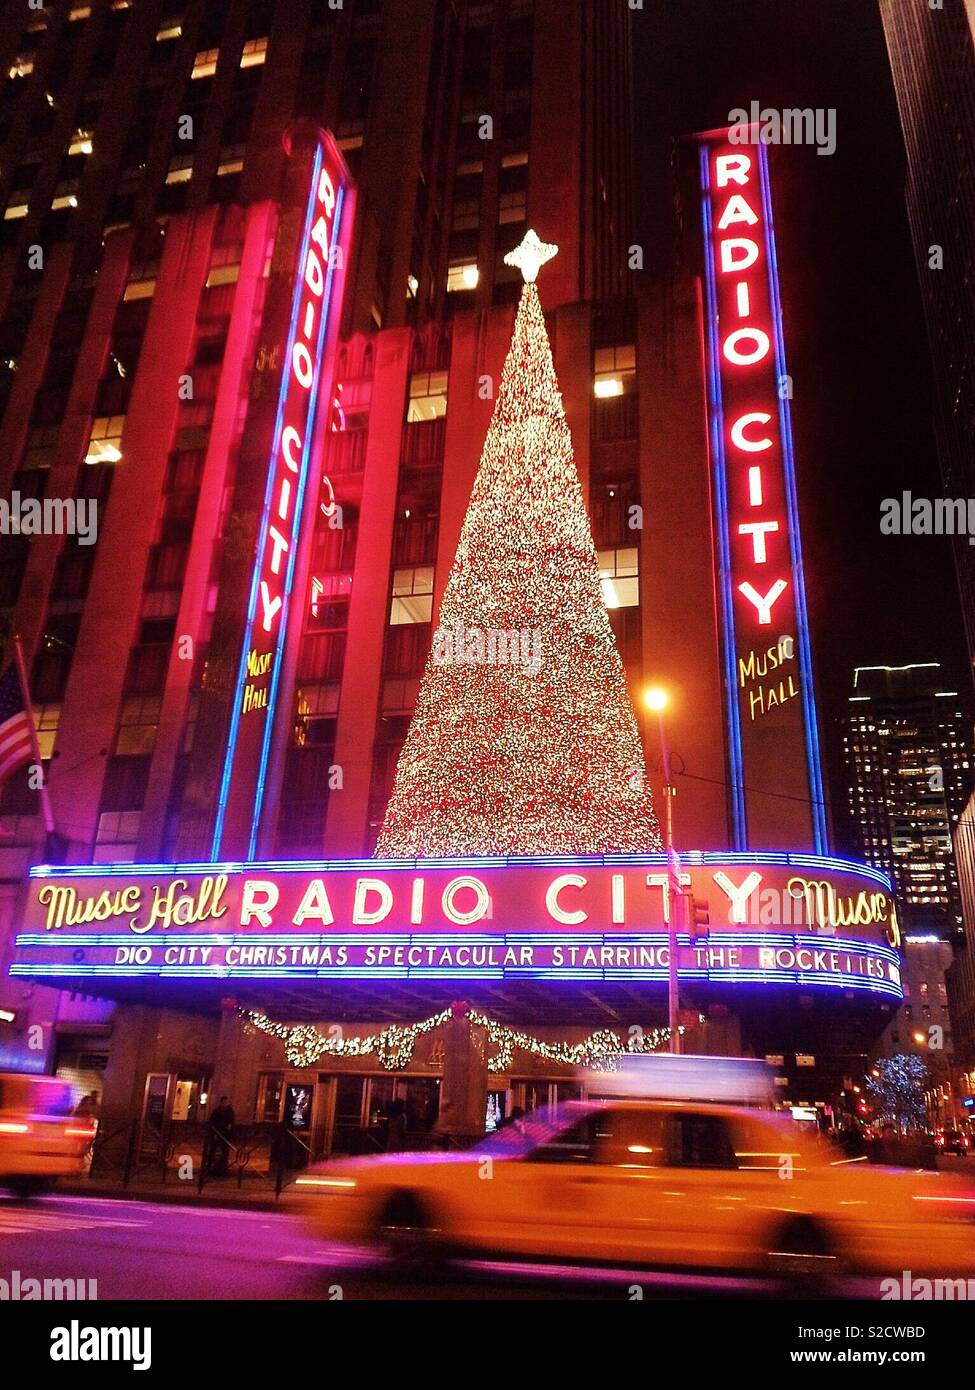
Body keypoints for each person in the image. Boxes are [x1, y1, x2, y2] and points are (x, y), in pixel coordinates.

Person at [208, 1096, 235, 1176]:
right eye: (224, 1102)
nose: (225, 1103)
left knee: (224, 1151)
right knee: (213, 1150)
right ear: (221, 1102)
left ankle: (223, 1168)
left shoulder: (229, 1112)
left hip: (225, 1134)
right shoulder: (216, 1111)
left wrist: (229, 1126)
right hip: (218, 1132)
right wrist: (215, 1132)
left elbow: (231, 1121)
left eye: (226, 1102)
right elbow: (212, 1121)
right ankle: (211, 1166)